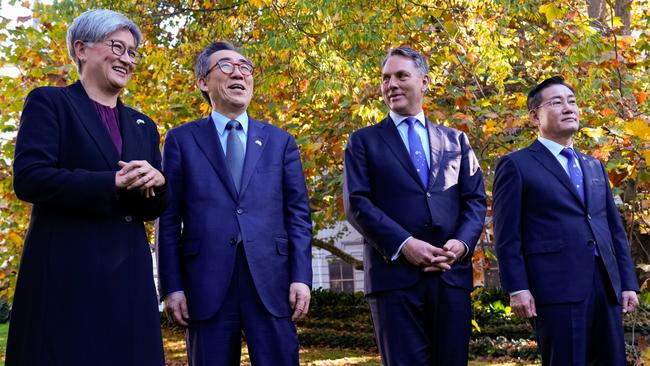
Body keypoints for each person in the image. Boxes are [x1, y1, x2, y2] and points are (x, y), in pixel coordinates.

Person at [7, 9, 167, 366]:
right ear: (82, 48)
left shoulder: (143, 124)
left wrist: (157, 183)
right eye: (118, 47)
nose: (127, 59)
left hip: (129, 279)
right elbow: (30, 178)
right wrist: (111, 181)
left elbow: (152, 209)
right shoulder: (50, 103)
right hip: (67, 275)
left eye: (133, 52)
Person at [156, 41, 313, 366]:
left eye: (245, 67)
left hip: (273, 282)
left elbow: (298, 215)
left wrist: (301, 277)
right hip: (206, 283)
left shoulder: (280, 141)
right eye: (225, 66)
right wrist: (172, 286)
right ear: (203, 82)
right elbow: (168, 219)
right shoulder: (181, 140)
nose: (239, 72)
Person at [343, 46, 487, 366]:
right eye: (385, 78)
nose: (391, 84)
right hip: (394, 281)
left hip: (450, 278)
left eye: (401, 76)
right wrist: (405, 244)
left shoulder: (456, 141)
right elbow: (356, 203)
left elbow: (476, 200)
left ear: (424, 82)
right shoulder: (363, 142)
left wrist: (462, 244)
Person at [492, 75, 640, 365]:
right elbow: (507, 234)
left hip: (605, 286)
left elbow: (613, 229)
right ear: (535, 116)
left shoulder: (594, 165)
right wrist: (517, 287)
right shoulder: (516, 165)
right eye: (557, 102)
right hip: (555, 287)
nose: (568, 108)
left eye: (572, 102)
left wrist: (627, 282)